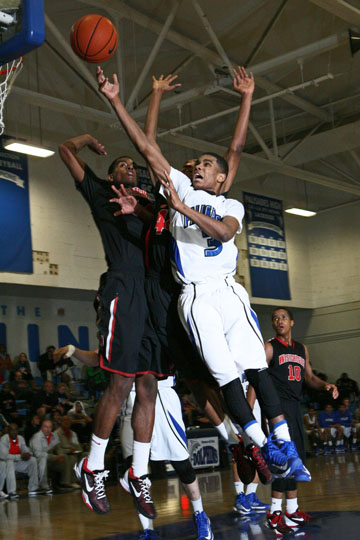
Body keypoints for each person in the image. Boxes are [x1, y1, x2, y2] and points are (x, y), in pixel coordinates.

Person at [96, 64, 311, 485]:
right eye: (197, 162)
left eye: (208, 164)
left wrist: (247, 97)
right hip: (191, 295)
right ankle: (252, 442)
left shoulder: (228, 204)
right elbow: (146, 145)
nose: (199, 165)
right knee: (216, 378)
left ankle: (281, 442)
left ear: (221, 178)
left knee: (255, 370)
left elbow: (226, 222)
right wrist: (116, 100)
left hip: (230, 292)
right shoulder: (178, 187)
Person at [265, 307, 338, 535]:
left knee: (296, 460)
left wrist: (324, 385)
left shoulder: (301, 348)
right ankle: (275, 513)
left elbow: (309, 377)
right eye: (275, 318)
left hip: (295, 407)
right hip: (277, 409)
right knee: (282, 461)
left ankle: (292, 511)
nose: (279, 321)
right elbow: (256, 377)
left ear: (292, 322)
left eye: (283, 317)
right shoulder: (269, 348)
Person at [0, 423, 39, 498]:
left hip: (18, 463)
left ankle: (33, 488)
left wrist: (27, 453)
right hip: (7, 463)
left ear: (18, 430)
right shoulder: (4, 439)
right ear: (8, 431)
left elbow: (24, 448)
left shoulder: (20, 438)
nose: (14, 432)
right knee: (9, 462)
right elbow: (5, 456)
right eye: (12, 430)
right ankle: (12, 492)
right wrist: (20, 456)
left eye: (15, 430)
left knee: (33, 460)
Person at [30, 419, 61, 493]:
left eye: (50, 427)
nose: (48, 429)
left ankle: (65, 483)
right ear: (41, 428)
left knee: (66, 458)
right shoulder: (37, 437)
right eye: (45, 427)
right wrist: (54, 457)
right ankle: (44, 485)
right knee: (42, 459)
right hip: (35, 460)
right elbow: (38, 454)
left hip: (48, 458)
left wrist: (60, 455)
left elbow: (58, 447)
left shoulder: (54, 436)